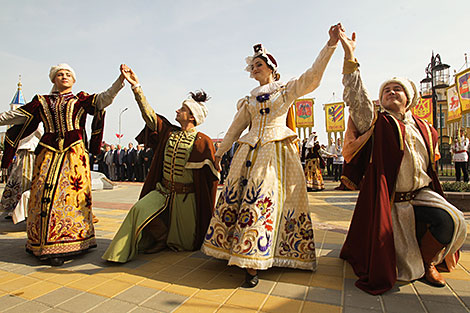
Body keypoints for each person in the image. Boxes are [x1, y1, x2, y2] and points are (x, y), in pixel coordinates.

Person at [201, 24, 340, 288]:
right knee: (241, 198)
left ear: (271, 68)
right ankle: (237, 250)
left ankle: (253, 261)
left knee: (262, 199)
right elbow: (235, 128)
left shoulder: (285, 90)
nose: (254, 69)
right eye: (252, 66)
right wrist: (219, 153)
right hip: (249, 152)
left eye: (258, 65)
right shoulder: (248, 100)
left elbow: (312, 77)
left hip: (275, 152)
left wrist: (330, 46)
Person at [337, 27, 467, 294]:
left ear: (408, 100)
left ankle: (428, 261)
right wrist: (350, 56)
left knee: (452, 221)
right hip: (388, 201)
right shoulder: (376, 121)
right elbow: (356, 97)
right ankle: (415, 259)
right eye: (387, 90)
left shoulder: (425, 128)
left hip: (420, 196)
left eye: (398, 90)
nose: (391, 93)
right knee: (385, 259)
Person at [0, 63, 124, 266]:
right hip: (47, 154)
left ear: (73, 80)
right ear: (53, 80)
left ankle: (71, 243)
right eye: (59, 74)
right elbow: (16, 116)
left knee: (69, 197)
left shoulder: (81, 100)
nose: (64, 76)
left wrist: (120, 82)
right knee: (41, 194)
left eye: (68, 74)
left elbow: (104, 99)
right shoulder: (41, 101)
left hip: (73, 155)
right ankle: (40, 242)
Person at [102, 65, 219, 263]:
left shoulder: (203, 140)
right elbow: (149, 115)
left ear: (192, 116)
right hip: (162, 191)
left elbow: (210, 180)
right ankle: (120, 253)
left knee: (185, 246)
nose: (177, 110)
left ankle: (163, 238)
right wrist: (136, 87)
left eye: (182, 109)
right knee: (139, 209)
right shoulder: (168, 132)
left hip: (187, 199)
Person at [0, 124, 43, 221]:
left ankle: (22, 211)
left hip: (30, 151)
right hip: (26, 151)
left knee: (24, 181)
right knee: (20, 181)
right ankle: (16, 210)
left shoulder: (31, 123)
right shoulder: (29, 123)